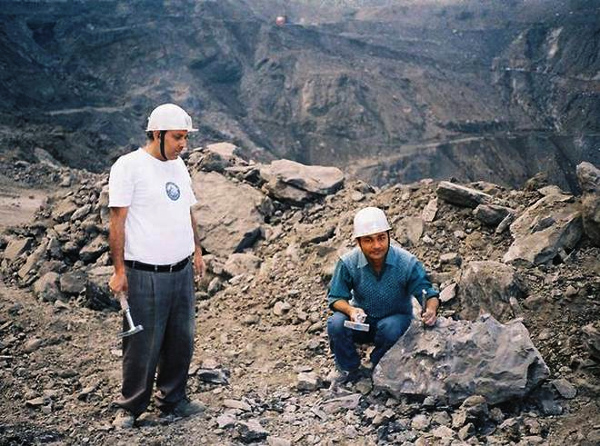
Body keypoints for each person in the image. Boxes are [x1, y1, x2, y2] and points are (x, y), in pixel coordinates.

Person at [108, 103, 205, 428]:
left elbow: (187, 211)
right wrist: (120, 270)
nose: (183, 145)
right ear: (157, 133)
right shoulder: (129, 166)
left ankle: (172, 399)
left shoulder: (178, 167)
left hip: (180, 271)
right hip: (144, 271)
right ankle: (131, 406)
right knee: (142, 343)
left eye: (185, 139)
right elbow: (117, 221)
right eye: (178, 137)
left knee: (181, 339)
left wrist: (197, 251)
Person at [327, 206, 439, 384]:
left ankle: (378, 364)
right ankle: (348, 368)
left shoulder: (407, 262)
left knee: (390, 328)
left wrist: (431, 310)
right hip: (362, 322)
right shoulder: (348, 263)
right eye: (369, 240)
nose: (377, 245)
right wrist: (350, 310)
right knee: (336, 323)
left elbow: (428, 293)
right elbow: (335, 298)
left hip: (395, 321)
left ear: (389, 236)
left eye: (381, 238)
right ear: (359, 242)